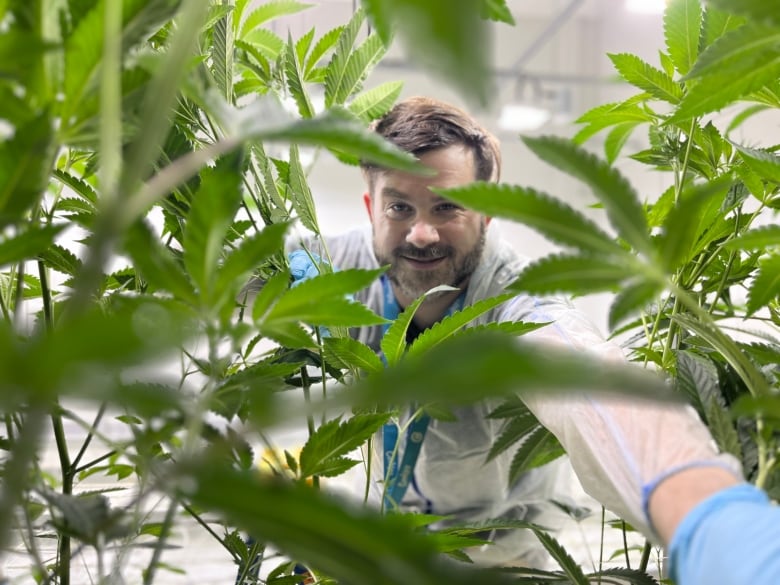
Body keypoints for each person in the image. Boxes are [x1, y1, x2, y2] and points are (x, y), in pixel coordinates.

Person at [284, 96, 777, 582]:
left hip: (498, 562)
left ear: (487, 215)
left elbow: (589, 386)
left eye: (447, 206)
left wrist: (707, 515)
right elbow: (219, 264)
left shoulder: (517, 299)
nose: (421, 233)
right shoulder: (331, 266)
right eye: (399, 207)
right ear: (372, 207)